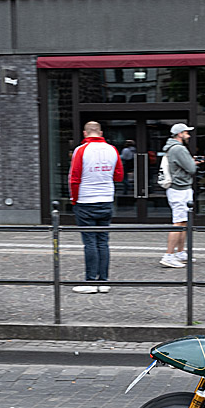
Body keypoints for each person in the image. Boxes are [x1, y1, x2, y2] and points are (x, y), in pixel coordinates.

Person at [68, 121, 123, 294]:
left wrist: (74, 200)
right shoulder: (112, 150)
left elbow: (74, 178)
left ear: (85, 133)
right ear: (100, 132)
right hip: (106, 199)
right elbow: (119, 176)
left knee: (90, 242)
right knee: (103, 241)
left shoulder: (81, 150)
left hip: (85, 200)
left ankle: (91, 281)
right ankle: (104, 281)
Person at [159, 123, 203, 269]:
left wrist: (191, 161)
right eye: (186, 133)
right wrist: (193, 163)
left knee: (183, 221)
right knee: (178, 222)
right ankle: (169, 255)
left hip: (177, 188)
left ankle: (180, 253)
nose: (188, 135)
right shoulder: (179, 148)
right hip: (179, 189)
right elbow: (190, 168)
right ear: (180, 134)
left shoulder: (172, 148)